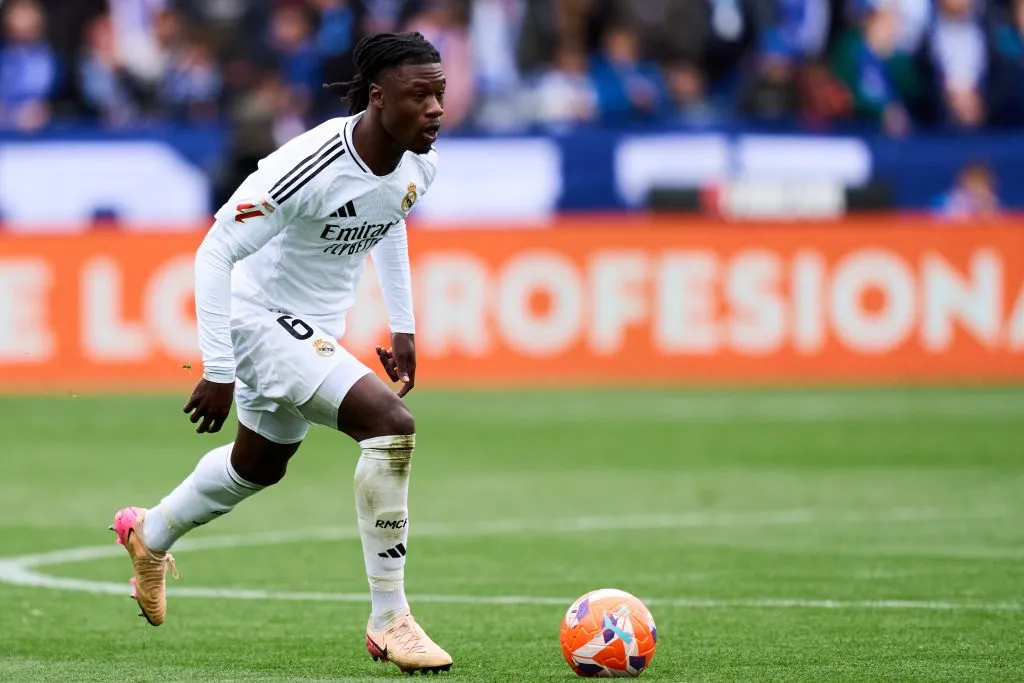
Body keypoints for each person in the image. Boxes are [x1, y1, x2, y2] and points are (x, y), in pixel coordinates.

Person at [109, 31, 451, 675]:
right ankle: (390, 619)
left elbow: (392, 214)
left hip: (313, 327)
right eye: (419, 96)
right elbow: (215, 250)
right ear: (378, 98)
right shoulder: (310, 162)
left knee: (258, 467)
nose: (435, 109)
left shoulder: (418, 160)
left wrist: (404, 324)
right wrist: (218, 367)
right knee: (390, 427)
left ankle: (148, 534)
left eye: (440, 94)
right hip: (256, 318)